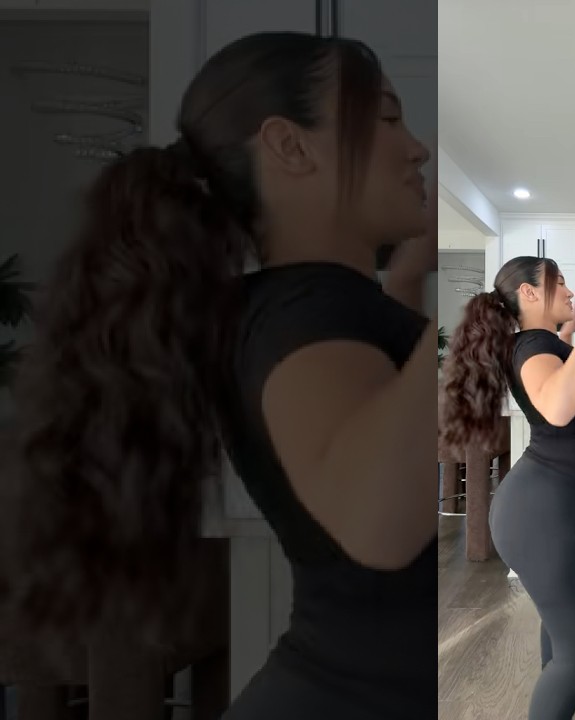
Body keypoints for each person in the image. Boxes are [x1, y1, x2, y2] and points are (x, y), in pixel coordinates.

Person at [6, 31, 437, 719]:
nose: (417, 148)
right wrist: (473, 313)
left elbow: (379, 400)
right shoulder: (304, 315)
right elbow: (376, 524)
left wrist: (411, 288)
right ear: (289, 146)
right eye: (386, 118)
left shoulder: (302, 305)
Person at [440, 260, 575, 720]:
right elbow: (558, 408)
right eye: (559, 282)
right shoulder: (531, 347)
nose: (568, 290)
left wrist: (570, 334)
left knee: (563, 620)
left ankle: (567, 683)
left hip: (552, 507)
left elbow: (557, 375)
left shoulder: (538, 344)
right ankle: (564, 680)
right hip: (544, 514)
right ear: (529, 294)